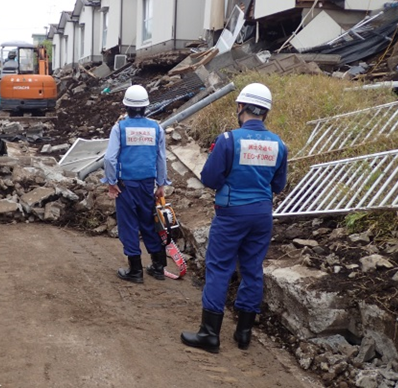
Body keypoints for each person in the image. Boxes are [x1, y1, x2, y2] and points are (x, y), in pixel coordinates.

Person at [180, 83, 288, 353]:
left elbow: (209, 178)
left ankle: (209, 334)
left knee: (219, 268)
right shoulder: (279, 145)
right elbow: (278, 185)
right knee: (252, 268)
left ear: (241, 107)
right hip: (262, 214)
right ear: (265, 112)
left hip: (231, 214)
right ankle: (243, 333)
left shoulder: (229, 140)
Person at [102, 84, 170, 284]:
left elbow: (109, 159)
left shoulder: (120, 128)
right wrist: (161, 184)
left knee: (129, 226)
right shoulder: (157, 128)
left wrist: (111, 183)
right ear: (146, 107)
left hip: (126, 185)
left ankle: (135, 270)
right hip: (147, 184)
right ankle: (158, 266)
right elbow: (161, 159)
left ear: (126, 107)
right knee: (149, 223)